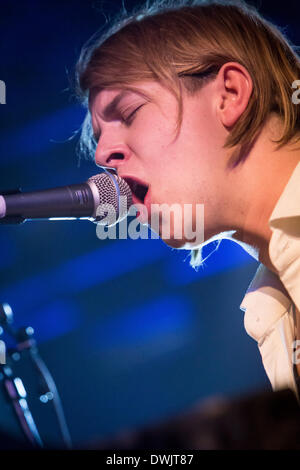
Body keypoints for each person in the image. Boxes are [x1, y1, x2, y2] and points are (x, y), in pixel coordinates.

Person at [75, 0, 300, 398]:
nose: (102, 155)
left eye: (129, 113)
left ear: (229, 94)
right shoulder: (273, 308)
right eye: (98, 137)